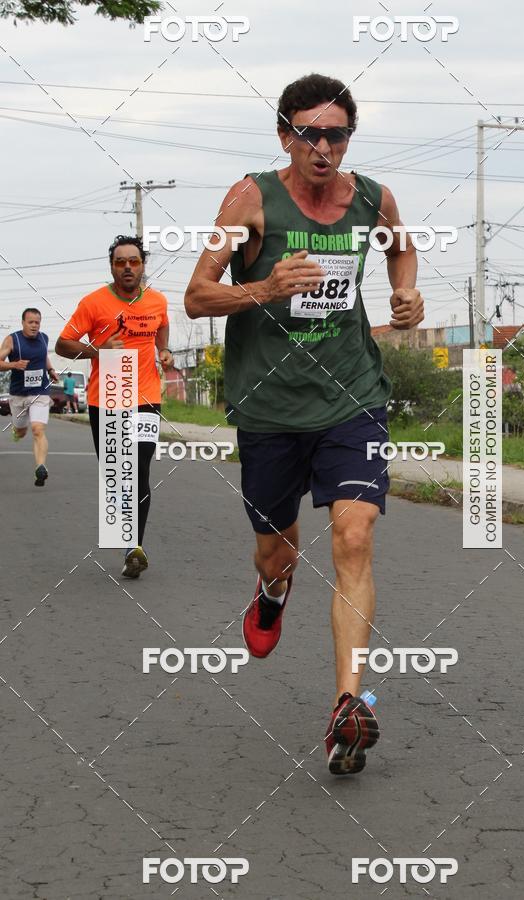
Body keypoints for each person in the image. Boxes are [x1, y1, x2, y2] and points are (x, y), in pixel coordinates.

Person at [185, 74, 424, 774]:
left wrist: (404, 292)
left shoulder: (372, 198)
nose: (322, 147)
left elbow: (401, 247)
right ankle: (272, 590)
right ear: (285, 134)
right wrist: (264, 287)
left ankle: (348, 704)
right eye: (308, 133)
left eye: (336, 135)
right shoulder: (251, 198)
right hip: (268, 404)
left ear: (350, 139)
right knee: (278, 552)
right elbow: (197, 296)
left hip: (351, 395)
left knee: (354, 535)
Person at [56, 235, 173, 578]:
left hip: (147, 398)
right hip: (107, 395)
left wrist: (164, 351)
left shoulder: (158, 301)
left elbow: (162, 327)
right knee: (118, 476)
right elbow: (63, 344)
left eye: (133, 261)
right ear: (112, 266)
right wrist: (97, 350)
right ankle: (128, 542)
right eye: (120, 262)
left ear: (142, 265)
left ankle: (133, 546)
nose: (127, 267)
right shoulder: (93, 303)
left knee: (139, 470)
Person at [0, 307, 59, 486]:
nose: (34, 326)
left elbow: (43, 357)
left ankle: (40, 467)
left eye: (37, 322)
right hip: (18, 394)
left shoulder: (44, 338)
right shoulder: (12, 339)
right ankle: (17, 431)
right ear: (23, 322)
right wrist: (14, 365)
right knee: (21, 430)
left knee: (38, 429)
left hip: (39, 392)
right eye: (31, 322)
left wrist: (50, 370)